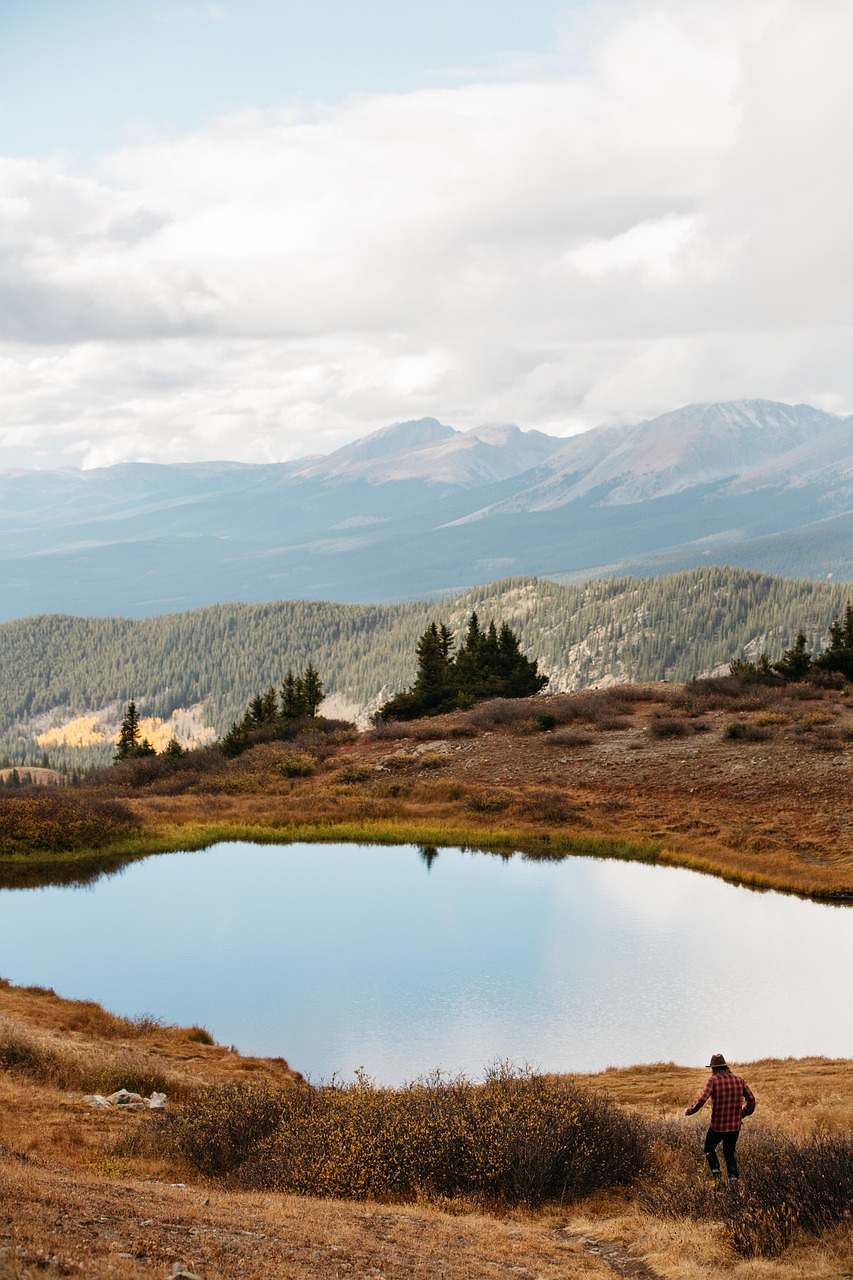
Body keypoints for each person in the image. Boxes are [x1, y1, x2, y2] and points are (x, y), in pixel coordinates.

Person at [685, 1053, 755, 1182]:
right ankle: (733, 1180)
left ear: (713, 1068)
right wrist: (742, 1113)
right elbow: (751, 1100)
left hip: (717, 1126)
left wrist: (690, 1111)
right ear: (726, 1066)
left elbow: (702, 1099)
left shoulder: (713, 1081)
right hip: (734, 1126)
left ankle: (716, 1173)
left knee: (709, 1148)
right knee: (729, 1154)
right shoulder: (739, 1080)